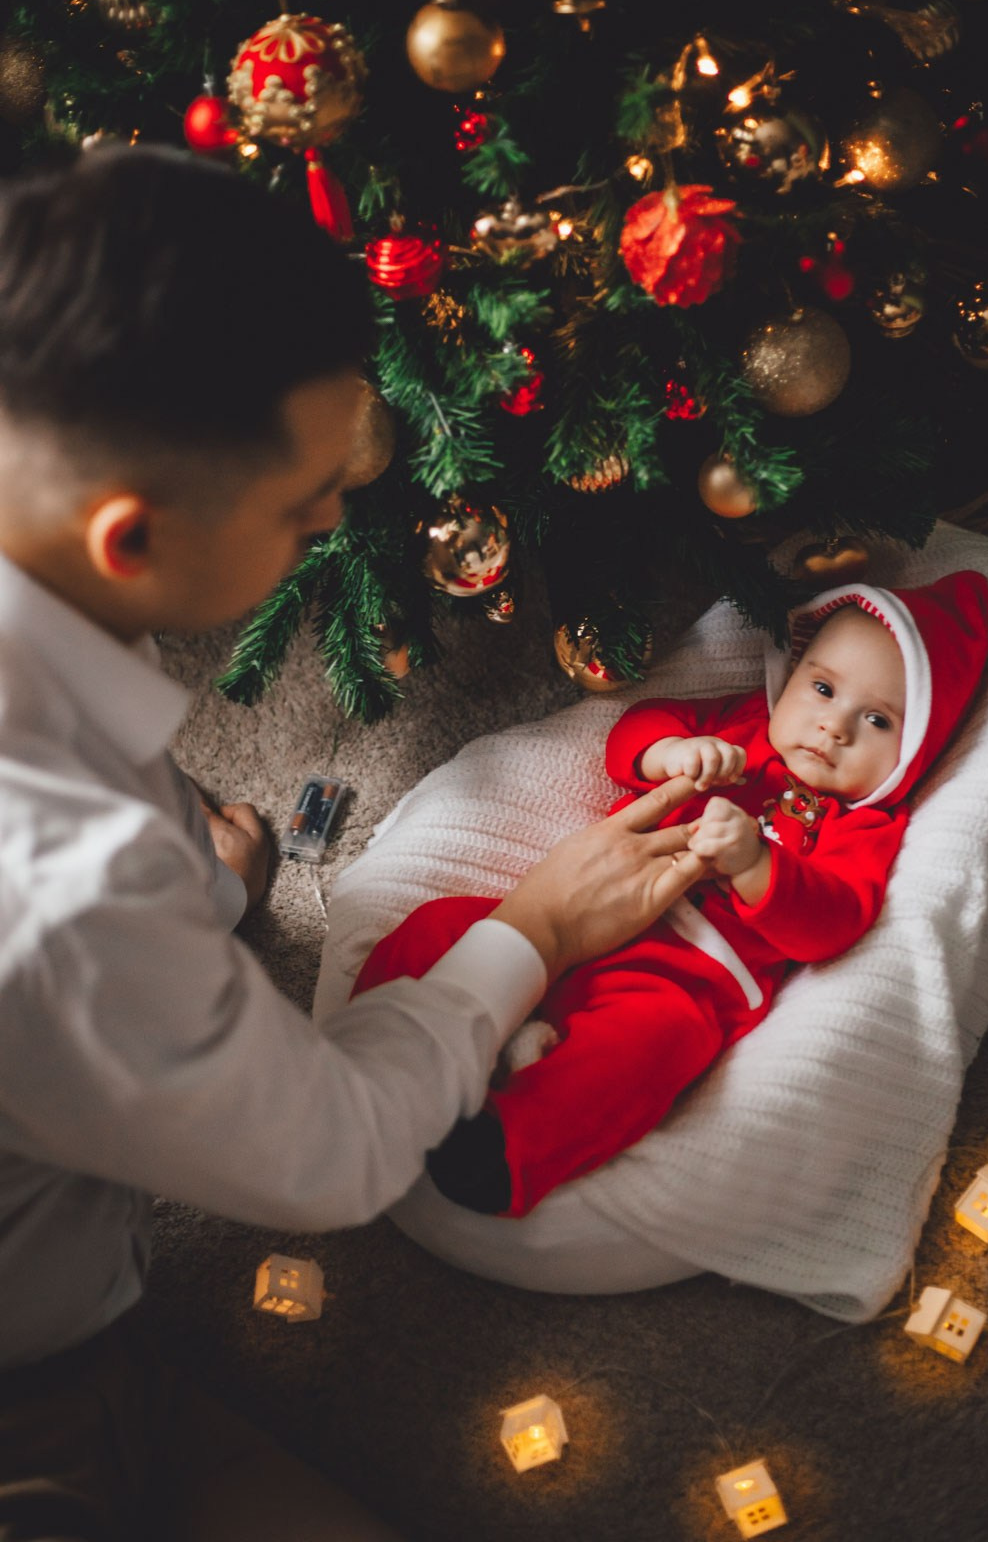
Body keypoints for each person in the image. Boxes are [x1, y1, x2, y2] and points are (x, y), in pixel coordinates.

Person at [0, 144, 716, 1542]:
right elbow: (331, 1156)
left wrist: (194, 892)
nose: (337, 514)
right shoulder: (71, 893)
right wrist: (534, 934)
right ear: (129, 539)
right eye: (299, 500)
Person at [353, 571, 988, 1219]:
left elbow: (832, 921)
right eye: (823, 689)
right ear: (792, 672)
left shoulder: (862, 825)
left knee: (649, 1049)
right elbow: (632, 732)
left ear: (913, 753)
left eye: (877, 720)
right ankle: (372, 1053)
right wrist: (672, 752)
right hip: (580, 899)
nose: (832, 728)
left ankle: (503, 1148)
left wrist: (755, 864)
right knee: (443, 926)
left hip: (681, 979)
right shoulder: (742, 726)